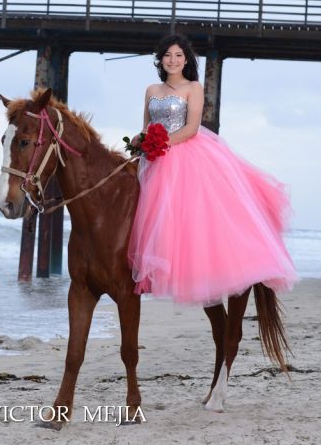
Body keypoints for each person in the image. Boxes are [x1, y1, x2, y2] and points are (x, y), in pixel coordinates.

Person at [127, 34, 297, 306]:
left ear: (186, 60)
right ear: (160, 59)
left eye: (178, 55)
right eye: (168, 55)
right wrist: (141, 140)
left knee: (186, 217)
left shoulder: (193, 87)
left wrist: (160, 143)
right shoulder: (151, 90)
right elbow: (146, 125)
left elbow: (191, 129)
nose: (173, 60)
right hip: (153, 157)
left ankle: (198, 270)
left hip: (182, 155)